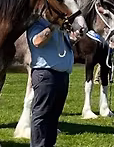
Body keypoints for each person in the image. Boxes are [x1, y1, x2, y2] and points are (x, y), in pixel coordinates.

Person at [28, 18, 75, 147]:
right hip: (46, 74)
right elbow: (37, 41)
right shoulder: (37, 24)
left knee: (54, 116)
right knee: (42, 115)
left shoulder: (59, 28)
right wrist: (52, 27)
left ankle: (48, 144)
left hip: (61, 75)